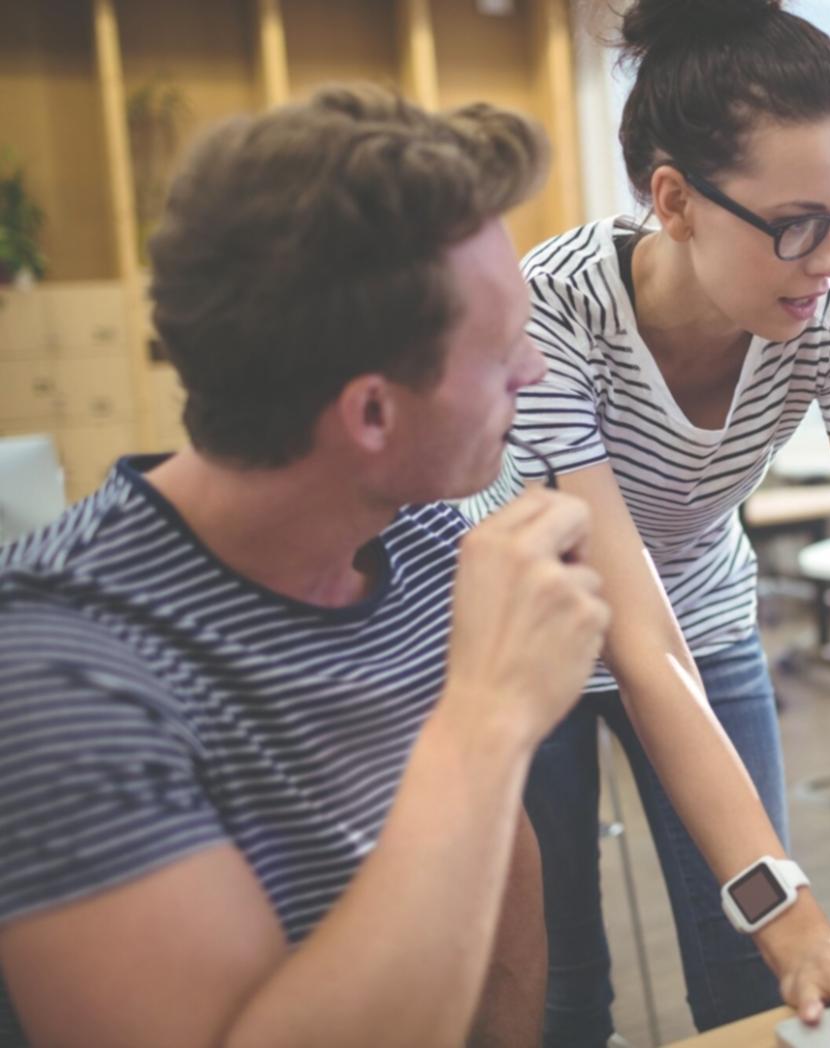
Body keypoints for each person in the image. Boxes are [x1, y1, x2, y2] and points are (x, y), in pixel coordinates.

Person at [0, 86, 610, 1046]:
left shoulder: (428, 550)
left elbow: (498, 881)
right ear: (371, 414)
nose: (532, 371)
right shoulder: (56, 674)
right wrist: (486, 721)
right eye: (500, 354)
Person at [462, 0, 830, 1038]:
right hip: (528, 633)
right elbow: (634, 634)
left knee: (753, 984)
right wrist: (796, 918)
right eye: (796, 223)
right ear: (673, 200)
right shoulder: (554, 312)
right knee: (560, 987)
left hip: (700, 614)